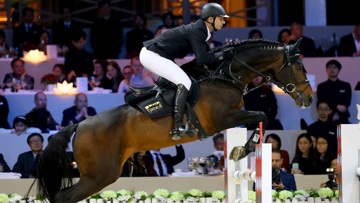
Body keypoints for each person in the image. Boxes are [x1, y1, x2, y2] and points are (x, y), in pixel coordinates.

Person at [140, 2, 231, 140]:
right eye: (221, 18)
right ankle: (177, 126)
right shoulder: (198, 31)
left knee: (184, 77)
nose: (224, 22)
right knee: (184, 81)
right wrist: (224, 54)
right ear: (210, 19)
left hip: (160, 55)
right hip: (152, 55)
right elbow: (202, 59)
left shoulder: (203, 31)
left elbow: (207, 55)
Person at [317, 59, 352, 124]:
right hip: (326, 118)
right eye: (330, 67)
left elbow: (347, 101)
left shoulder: (346, 85)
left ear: (339, 70)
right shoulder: (321, 86)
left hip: (343, 117)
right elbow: (321, 101)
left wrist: (339, 108)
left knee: (351, 133)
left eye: (334, 67)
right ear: (326, 70)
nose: (332, 69)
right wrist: (336, 106)